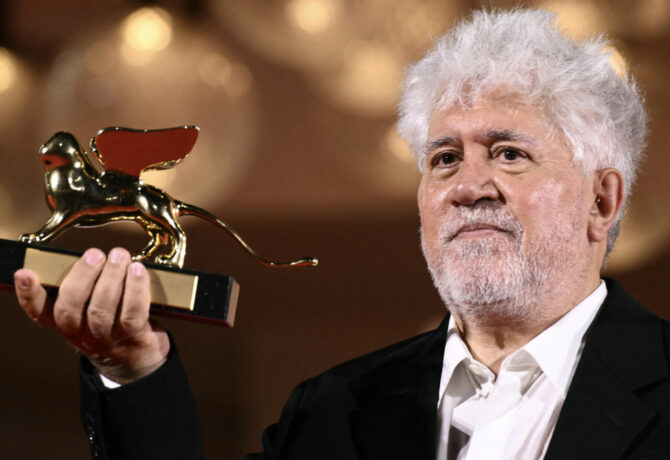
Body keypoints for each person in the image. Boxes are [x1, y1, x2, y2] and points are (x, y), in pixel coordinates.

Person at [12, 8, 670, 460]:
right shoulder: (334, 410)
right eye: (444, 158)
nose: (468, 186)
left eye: (508, 153)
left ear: (601, 200)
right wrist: (132, 371)